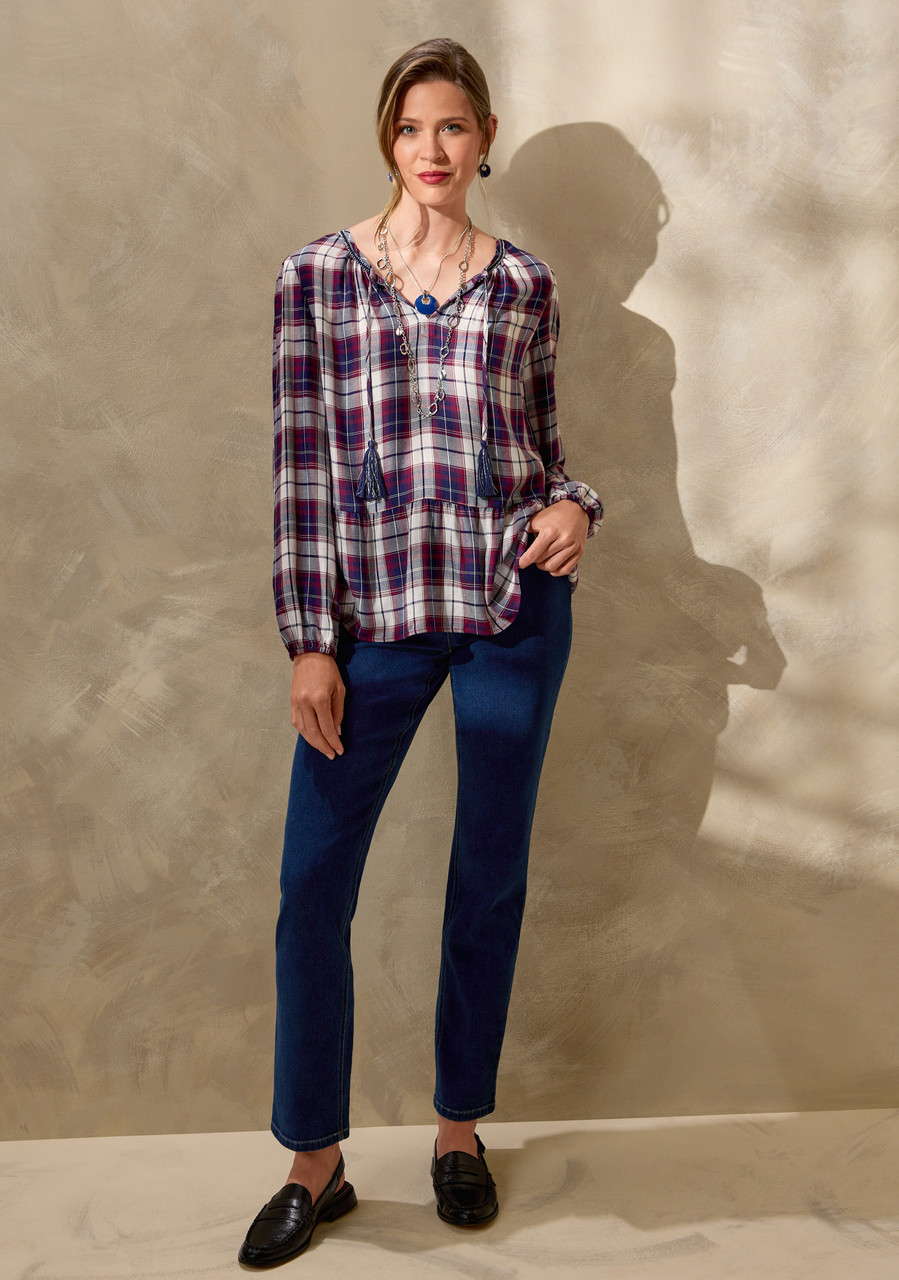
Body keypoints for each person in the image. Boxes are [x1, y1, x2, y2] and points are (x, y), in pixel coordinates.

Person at [238, 37, 603, 1268]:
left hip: (509, 609)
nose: (431, 149)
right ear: (386, 140)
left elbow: (545, 448)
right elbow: (300, 468)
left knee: (486, 875)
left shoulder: (524, 286)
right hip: (371, 618)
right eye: (409, 128)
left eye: (452, 127)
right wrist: (310, 641)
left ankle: (458, 1132)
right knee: (311, 883)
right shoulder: (316, 279)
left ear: (483, 137)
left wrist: (576, 508)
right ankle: (315, 1159)